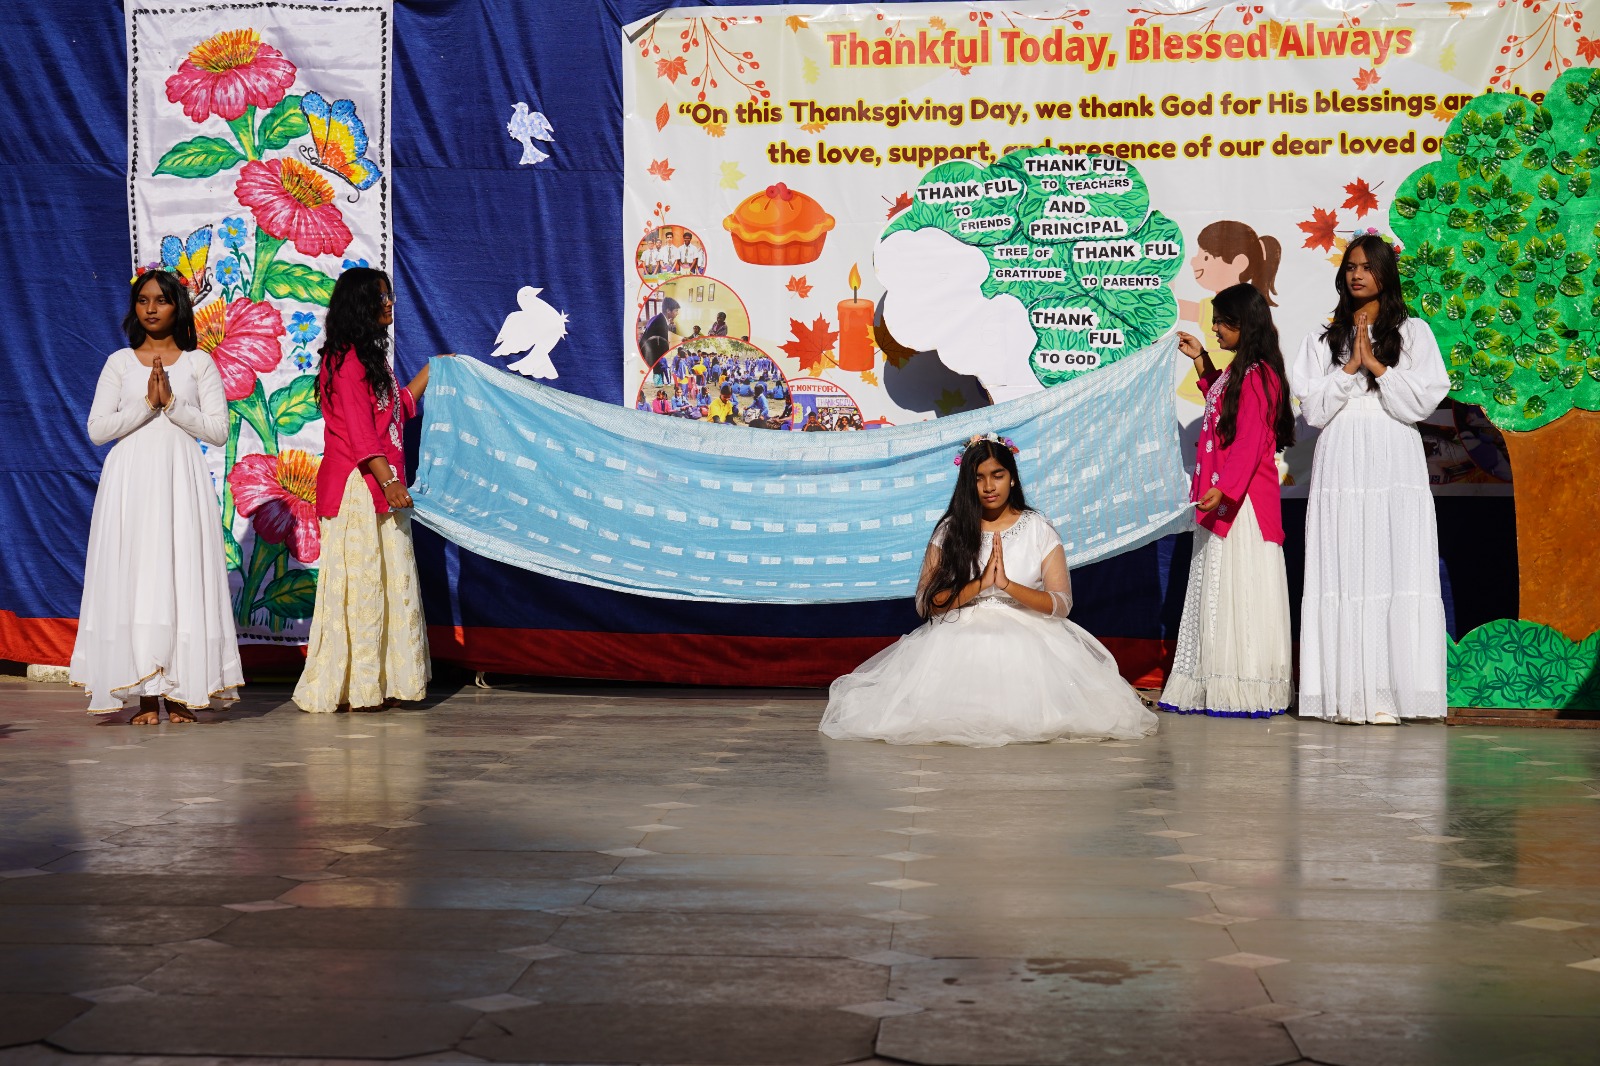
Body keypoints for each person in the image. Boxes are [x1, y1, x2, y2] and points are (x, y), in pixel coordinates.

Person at [820, 435, 1159, 746]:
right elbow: (927, 603)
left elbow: (1061, 603)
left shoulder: (1038, 528)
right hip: (957, 636)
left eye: (997, 475)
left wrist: (1007, 586)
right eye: (978, 478)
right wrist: (980, 585)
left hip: (1032, 637)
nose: (988, 486)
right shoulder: (951, 530)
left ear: (1012, 477)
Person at [1291, 233, 1451, 724]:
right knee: (1344, 562)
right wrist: (1350, 369)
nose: (1356, 275)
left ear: (1385, 273)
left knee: (1392, 562)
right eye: (1350, 266)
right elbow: (1314, 410)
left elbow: (1422, 402)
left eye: (1366, 266)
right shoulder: (1322, 339)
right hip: (1341, 454)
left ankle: (1389, 694)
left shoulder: (1414, 333)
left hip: (1393, 452)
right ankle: (1345, 694)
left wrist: (1377, 366)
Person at [71, 271, 242, 724]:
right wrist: (146, 405)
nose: (150, 308)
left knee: (180, 575)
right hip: (129, 483)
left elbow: (218, 432)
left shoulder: (199, 364)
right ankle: (146, 696)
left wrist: (173, 404)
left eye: (161, 300)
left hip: (180, 480)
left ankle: (182, 693)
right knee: (137, 578)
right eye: (143, 300)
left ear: (177, 307)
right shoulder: (119, 363)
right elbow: (97, 430)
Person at [294, 268, 447, 714]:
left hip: (379, 483)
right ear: (360, 305)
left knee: (386, 581)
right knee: (362, 585)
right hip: (358, 488)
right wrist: (390, 481)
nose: (390, 303)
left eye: (390, 295)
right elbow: (362, 436)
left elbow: (397, 411)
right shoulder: (345, 362)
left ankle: (384, 683)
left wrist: (434, 369)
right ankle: (360, 688)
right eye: (381, 297)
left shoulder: (369, 360)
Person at [1159, 285, 1295, 718]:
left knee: (1241, 586)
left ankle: (1244, 687)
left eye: (1222, 322)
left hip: (1244, 503)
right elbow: (1224, 407)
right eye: (1214, 321)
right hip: (1227, 495)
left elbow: (1251, 440)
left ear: (1245, 323)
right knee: (1219, 587)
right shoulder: (1243, 370)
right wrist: (1201, 359)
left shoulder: (1259, 375)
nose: (1215, 328)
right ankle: (1217, 682)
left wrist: (1227, 489)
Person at [638, 297, 680, 367]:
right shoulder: (661, 323)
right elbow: (663, 351)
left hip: (644, 353)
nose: (677, 313)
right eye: (676, 310)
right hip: (649, 359)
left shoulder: (657, 317)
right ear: (668, 311)